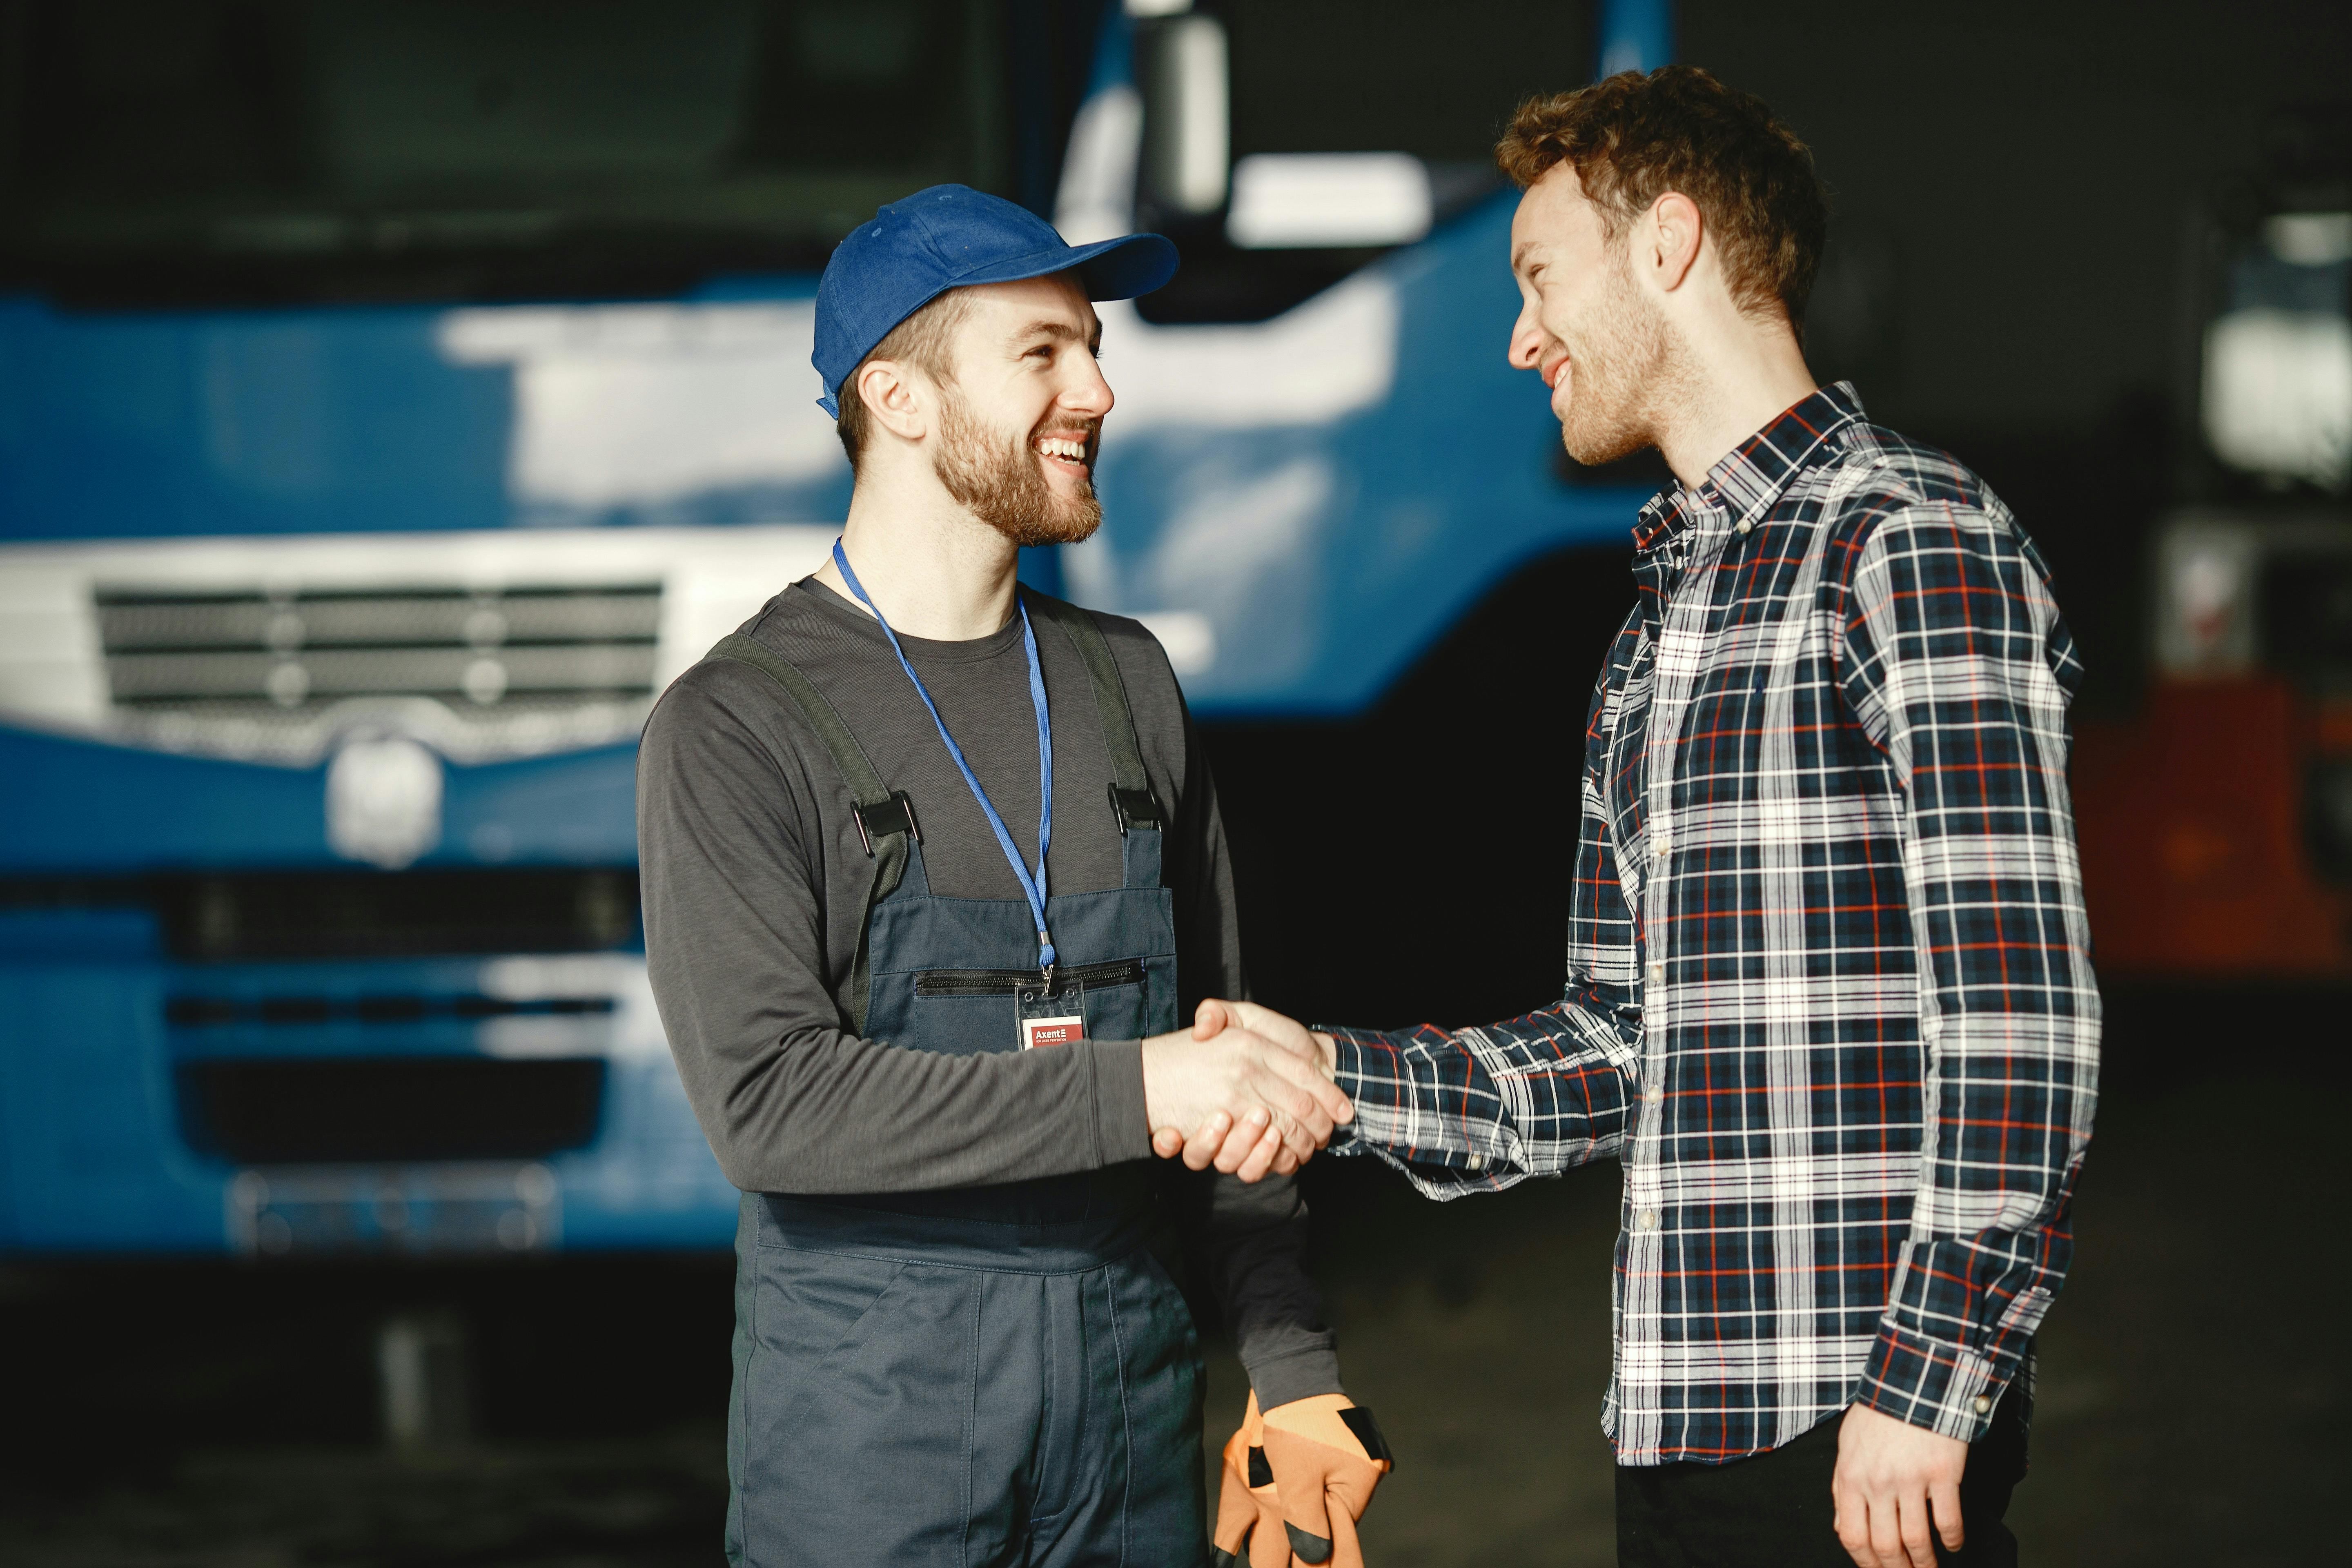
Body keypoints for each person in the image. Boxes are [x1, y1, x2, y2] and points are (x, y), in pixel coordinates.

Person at [1170, 67, 2100, 1568]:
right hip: (1678, 1420)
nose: (1521, 336)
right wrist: (1333, 1072)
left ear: (1668, 244)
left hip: (1859, 1433)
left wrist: (1930, 1386)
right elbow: (1619, 1045)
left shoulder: (1907, 539)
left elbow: (2020, 1012)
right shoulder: (1657, 630)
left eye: (1541, 277)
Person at [637, 185, 1385, 1568]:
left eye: (1092, 346)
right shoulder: (739, 723)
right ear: (899, 396)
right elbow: (769, 1108)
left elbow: (1230, 1063)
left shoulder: (1127, 685)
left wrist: (1292, 1364)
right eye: (1042, 351)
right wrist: (1144, 1085)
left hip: (1129, 1413)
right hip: (872, 1432)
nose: (1098, 389)